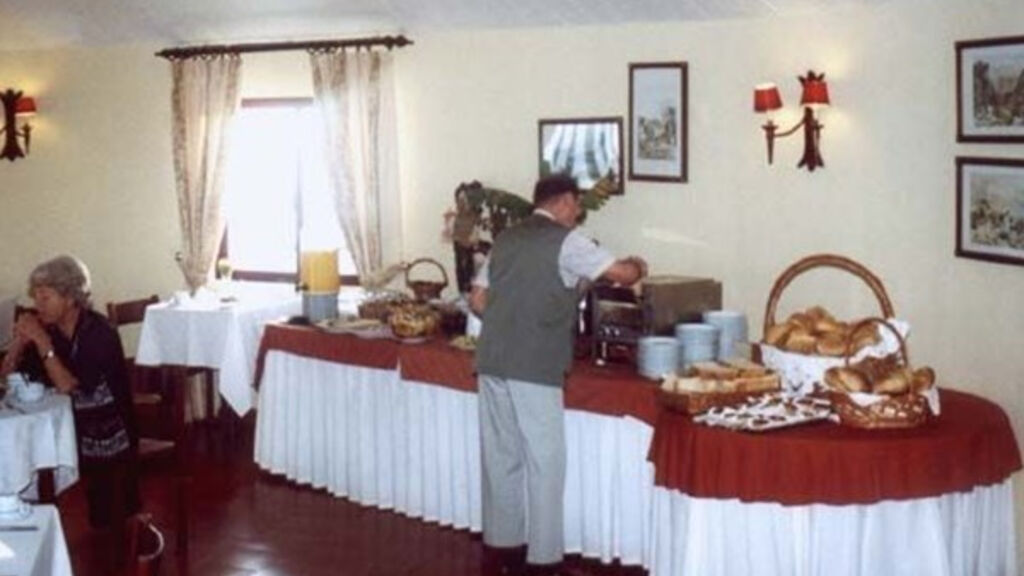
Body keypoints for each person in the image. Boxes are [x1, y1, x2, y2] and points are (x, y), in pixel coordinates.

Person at [470, 175, 647, 576]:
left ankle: (502, 552)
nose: (578, 213)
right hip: (534, 365)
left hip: (493, 360)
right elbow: (622, 275)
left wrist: (512, 317)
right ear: (566, 201)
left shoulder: (507, 238)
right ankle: (544, 561)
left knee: (501, 458)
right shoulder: (568, 240)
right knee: (545, 462)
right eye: (576, 205)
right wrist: (639, 264)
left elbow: (478, 299)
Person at [0, 255, 140, 533]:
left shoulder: (98, 331)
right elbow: (5, 376)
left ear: (70, 298)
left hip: (111, 432)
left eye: (45, 297)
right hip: (74, 423)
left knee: (109, 522)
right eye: (36, 297)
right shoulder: (52, 328)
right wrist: (18, 341)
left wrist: (42, 342)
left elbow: (68, 385)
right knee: (28, 447)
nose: (38, 305)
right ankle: (33, 522)